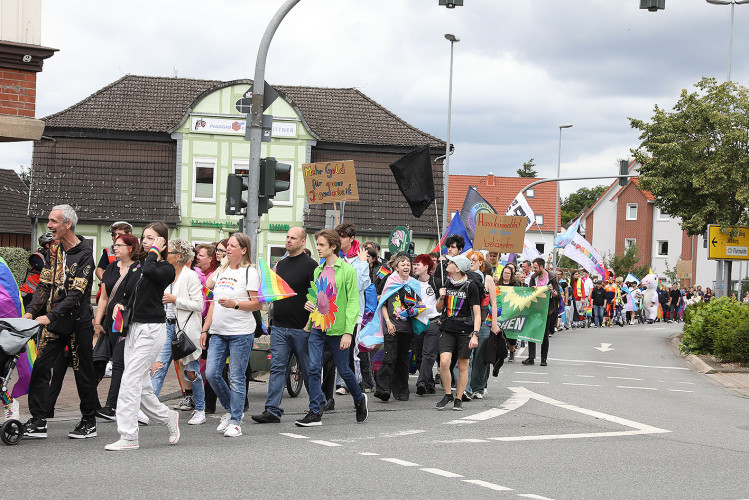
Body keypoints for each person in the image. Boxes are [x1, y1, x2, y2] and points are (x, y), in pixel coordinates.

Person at [23, 205, 101, 439]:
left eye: (54, 221)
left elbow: (77, 294)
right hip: (54, 324)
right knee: (40, 368)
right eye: (49, 221)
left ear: (67, 224)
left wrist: (51, 315)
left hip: (78, 323)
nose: (49, 225)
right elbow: (44, 285)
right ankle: (38, 420)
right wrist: (30, 312)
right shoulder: (54, 250)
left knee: (82, 372)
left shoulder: (85, 253)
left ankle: (89, 421)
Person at [105, 222, 180, 451]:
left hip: (151, 330)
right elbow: (127, 293)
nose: (145, 242)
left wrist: (156, 252)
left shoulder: (165, 267)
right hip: (133, 329)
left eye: (151, 238)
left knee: (129, 380)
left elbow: (150, 271)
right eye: (145, 238)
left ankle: (128, 437)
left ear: (162, 241)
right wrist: (120, 305)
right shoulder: (137, 266)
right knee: (143, 387)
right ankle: (168, 417)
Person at [295, 229, 368, 427]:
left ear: (333, 247)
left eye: (321, 245)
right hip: (318, 327)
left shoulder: (347, 271)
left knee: (344, 370)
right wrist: (309, 306)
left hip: (338, 329)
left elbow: (353, 302)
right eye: (317, 244)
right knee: (312, 368)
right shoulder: (318, 270)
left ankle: (359, 399)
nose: (317, 248)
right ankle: (315, 411)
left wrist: (348, 332)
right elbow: (317, 296)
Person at [252, 227, 317, 424]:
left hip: (302, 328)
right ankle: (272, 410)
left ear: (303, 241)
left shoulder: (311, 266)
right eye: (287, 237)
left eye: (293, 238)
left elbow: (318, 295)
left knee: (308, 369)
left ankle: (316, 407)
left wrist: (311, 322)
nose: (288, 240)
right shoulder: (280, 265)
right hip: (279, 326)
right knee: (278, 368)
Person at [201, 233, 262, 438]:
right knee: (211, 374)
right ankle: (230, 409)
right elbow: (210, 289)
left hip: (240, 332)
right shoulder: (223, 270)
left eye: (233, 246)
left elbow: (257, 304)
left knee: (236, 377)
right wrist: (205, 329)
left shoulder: (250, 273)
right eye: (228, 246)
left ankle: (236, 421)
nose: (228, 249)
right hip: (218, 331)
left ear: (243, 250)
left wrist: (235, 304)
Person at [150, 239, 206, 425]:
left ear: (179, 256)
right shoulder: (165, 273)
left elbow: (199, 305)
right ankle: (149, 407)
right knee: (158, 366)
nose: (165, 256)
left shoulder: (190, 276)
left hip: (186, 329)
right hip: (166, 326)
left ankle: (200, 409)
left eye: (169, 253)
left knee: (191, 371)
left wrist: (176, 299)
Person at [93, 233, 139, 421]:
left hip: (126, 321)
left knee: (119, 362)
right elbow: (104, 298)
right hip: (108, 322)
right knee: (98, 360)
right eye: (115, 246)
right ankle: (94, 404)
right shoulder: (111, 267)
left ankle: (112, 406)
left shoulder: (138, 269)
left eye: (119, 245)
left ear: (130, 248)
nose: (115, 249)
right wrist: (97, 322)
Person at [434, 254, 481, 411]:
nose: (448, 263)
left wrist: (475, 334)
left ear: (459, 268)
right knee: (444, 362)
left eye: (452, 262)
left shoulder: (471, 286)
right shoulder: (447, 282)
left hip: (465, 330)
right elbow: (438, 308)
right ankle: (448, 394)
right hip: (447, 328)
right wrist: (441, 297)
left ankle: (459, 398)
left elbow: (477, 313)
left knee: (463, 365)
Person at [374, 254, 419, 402]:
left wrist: (416, 310)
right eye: (403, 264)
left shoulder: (414, 283)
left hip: (407, 328)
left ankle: (401, 391)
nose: (406, 267)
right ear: (396, 266)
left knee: (403, 360)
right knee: (389, 357)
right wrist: (388, 322)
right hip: (392, 326)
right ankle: (383, 389)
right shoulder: (390, 281)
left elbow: (419, 303)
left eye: (408, 264)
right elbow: (384, 305)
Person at [468, 255, 500, 399]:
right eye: (469, 259)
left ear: (480, 262)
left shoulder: (487, 279)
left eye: (474, 259)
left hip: (483, 322)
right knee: (466, 357)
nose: (471, 262)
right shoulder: (464, 277)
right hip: (467, 321)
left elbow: (493, 303)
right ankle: (465, 387)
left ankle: (478, 388)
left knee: (480, 357)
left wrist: (494, 324)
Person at [523, 258, 560, 367]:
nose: (534, 270)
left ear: (541, 267)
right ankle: (531, 357)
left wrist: (551, 290)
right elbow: (529, 293)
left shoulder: (552, 277)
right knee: (531, 332)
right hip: (535, 309)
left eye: (535, 267)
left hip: (548, 310)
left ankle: (544, 359)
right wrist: (533, 290)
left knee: (544, 335)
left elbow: (557, 295)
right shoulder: (534, 277)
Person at [412, 254, 440, 395]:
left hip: (433, 322)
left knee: (429, 354)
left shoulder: (436, 282)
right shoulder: (412, 283)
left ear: (426, 267)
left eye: (418, 264)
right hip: (417, 322)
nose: (414, 267)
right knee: (420, 355)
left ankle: (421, 382)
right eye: (414, 264)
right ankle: (429, 383)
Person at [496, 265, 520, 361]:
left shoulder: (515, 285)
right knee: (500, 333)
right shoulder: (498, 284)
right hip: (501, 312)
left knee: (511, 333)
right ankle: (500, 352)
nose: (506, 275)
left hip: (511, 311)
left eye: (508, 273)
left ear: (511, 274)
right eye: (505, 273)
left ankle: (512, 352)